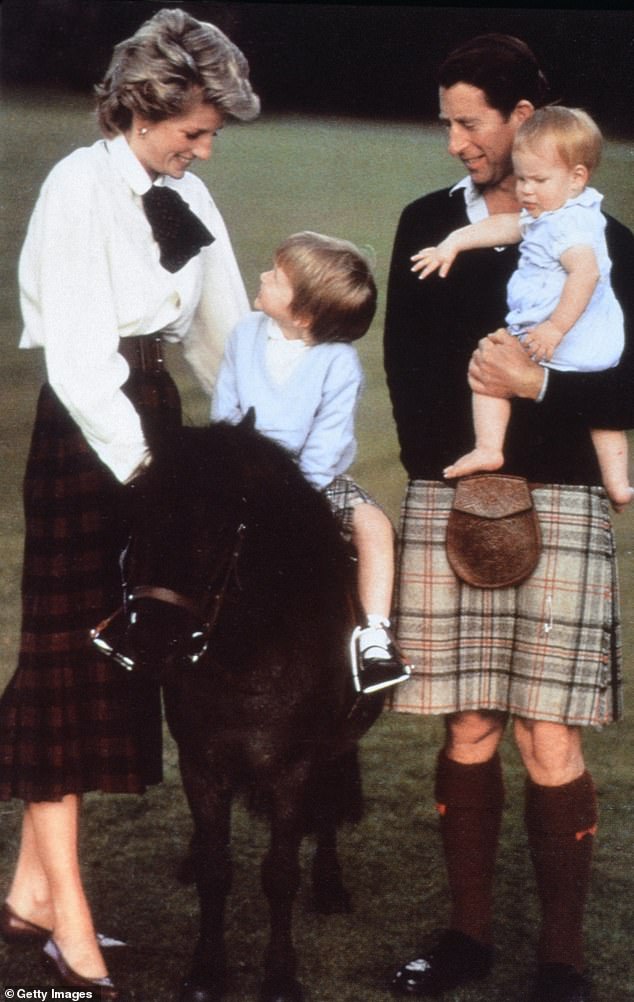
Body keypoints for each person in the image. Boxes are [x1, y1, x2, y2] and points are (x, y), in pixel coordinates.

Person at [0, 9, 259, 998]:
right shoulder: (78, 186)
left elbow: (222, 332)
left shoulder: (180, 193)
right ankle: (68, 924)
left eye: (210, 135)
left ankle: (28, 892)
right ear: (144, 108)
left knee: (117, 656)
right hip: (87, 432)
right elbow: (73, 354)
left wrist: (257, 444)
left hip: (152, 411)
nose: (204, 147)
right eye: (194, 129)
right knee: (69, 659)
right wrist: (145, 470)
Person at [383, 33, 634, 1002]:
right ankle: (467, 938)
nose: (454, 142)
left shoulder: (604, 244)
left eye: (469, 122)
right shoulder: (423, 222)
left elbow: (623, 385)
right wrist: (461, 487)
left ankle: (561, 962)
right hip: (452, 493)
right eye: (446, 121)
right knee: (470, 724)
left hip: (565, 499)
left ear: (524, 121)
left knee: (549, 735)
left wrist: (534, 396)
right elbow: (408, 382)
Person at [212, 231, 412, 694]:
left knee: (374, 526)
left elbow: (328, 443)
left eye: (276, 277)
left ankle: (374, 637)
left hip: (312, 481)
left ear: (302, 315)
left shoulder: (338, 363)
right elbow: (226, 411)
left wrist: (289, 493)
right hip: (241, 470)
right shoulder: (244, 334)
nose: (262, 275)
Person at [412, 105, 632, 511]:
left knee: (489, 376)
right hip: (575, 338)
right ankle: (616, 483)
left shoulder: (571, 225)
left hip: (568, 334)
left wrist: (554, 328)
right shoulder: (554, 211)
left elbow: (586, 275)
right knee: (599, 416)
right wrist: (454, 242)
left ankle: (490, 446)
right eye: (522, 178)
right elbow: (506, 226)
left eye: (538, 180)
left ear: (577, 178)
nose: (526, 190)